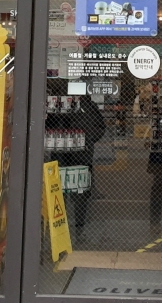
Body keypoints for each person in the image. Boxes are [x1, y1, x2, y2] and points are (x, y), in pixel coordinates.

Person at [45, 81, 106, 228]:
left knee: (80, 191)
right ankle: (60, 223)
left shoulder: (88, 106)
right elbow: (47, 126)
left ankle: (79, 224)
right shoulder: (58, 106)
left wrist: (87, 139)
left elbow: (100, 127)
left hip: (81, 155)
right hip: (62, 154)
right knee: (60, 189)